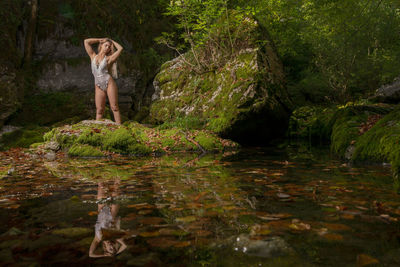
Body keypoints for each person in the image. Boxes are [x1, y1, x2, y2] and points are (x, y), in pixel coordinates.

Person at [84, 38, 123, 125]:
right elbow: (86, 41)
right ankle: (97, 128)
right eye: (106, 45)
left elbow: (120, 49)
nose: (107, 48)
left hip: (109, 83)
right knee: (100, 110)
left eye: (109, 47)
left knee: (114, 107)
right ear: (101, 46)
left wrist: (112, 41)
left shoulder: (109, 59)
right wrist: (99, 40)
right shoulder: (93, 56)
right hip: (98, 85)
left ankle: (120, 128)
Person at [89, 180, 127, 257]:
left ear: (105, 248)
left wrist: (104, 255)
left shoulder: (97, 239)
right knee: (116, 186)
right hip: (112, 212)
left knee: (101, 185)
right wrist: (116, 253)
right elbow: (125, 246)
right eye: (113, 248)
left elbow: (91, 254)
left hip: (101, 210)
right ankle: (117, 174)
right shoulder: (114, 237)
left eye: (110, 249)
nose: (111, 246)